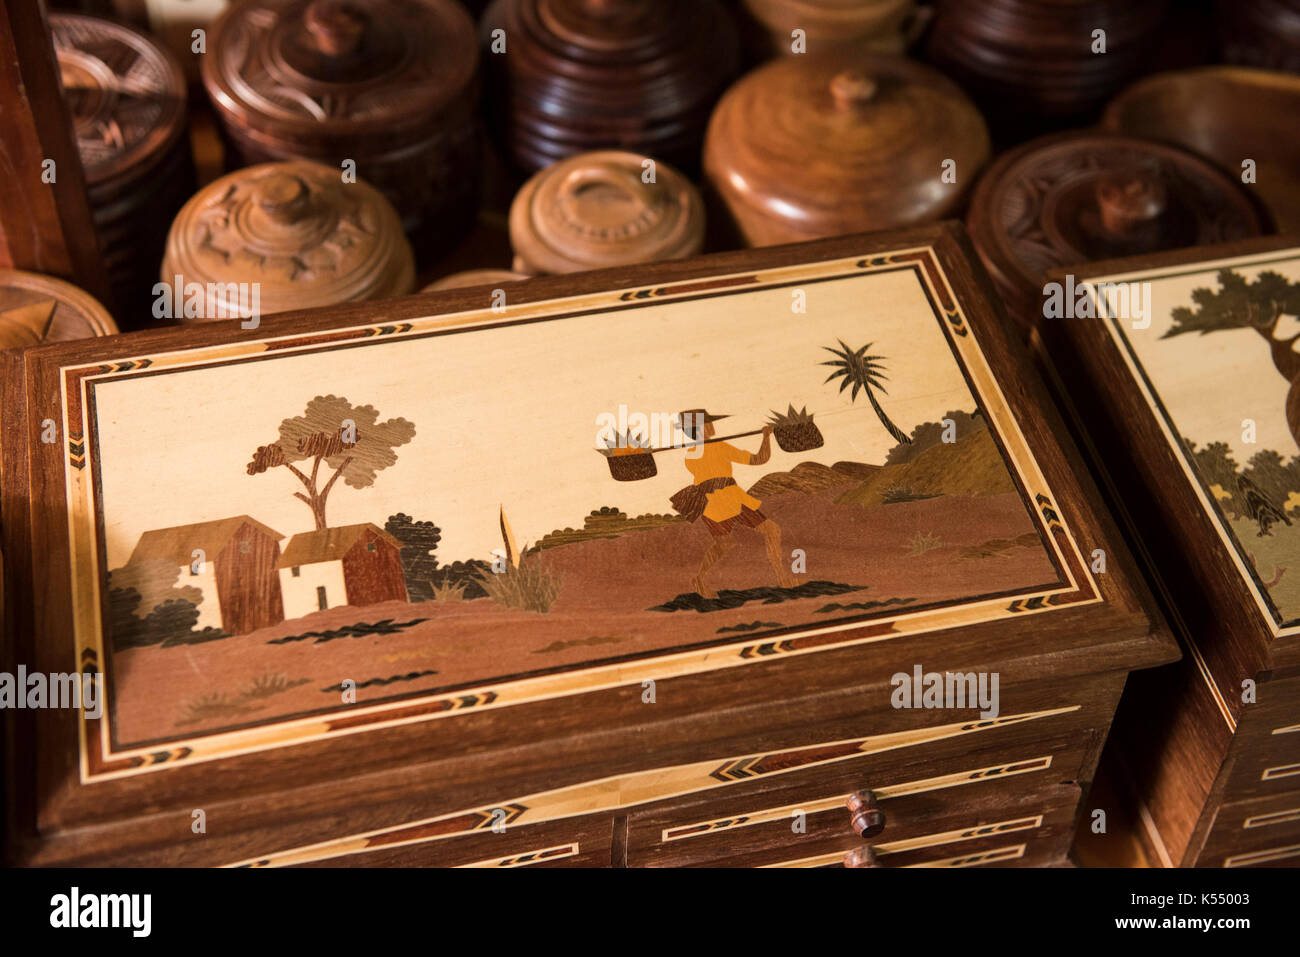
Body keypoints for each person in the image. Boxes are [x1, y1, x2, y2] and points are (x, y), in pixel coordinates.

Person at [669, 409, 797, 599]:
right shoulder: (717, 447)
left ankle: (700, 579)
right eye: (708, 423)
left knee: (724, 543)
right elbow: (759, 459)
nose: (712, 426)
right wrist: (766, 437)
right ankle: (782, 579)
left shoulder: (691, 454)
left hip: (711, 505)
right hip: (728, 500)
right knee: (771, 530)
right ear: (699, 428)